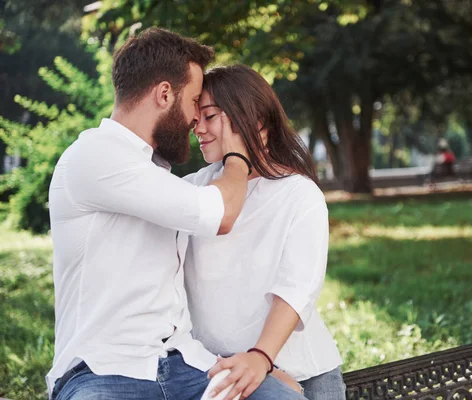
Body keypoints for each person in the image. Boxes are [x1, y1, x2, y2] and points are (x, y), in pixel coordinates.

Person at [47, 28, 304, 400]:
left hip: (185, 365)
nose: (196, 120)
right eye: (194, 101)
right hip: (102, 371)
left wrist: (261, 364)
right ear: (164, 94)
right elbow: (219, 214)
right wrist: (236, 154)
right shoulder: (95, 156)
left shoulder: (154, 174)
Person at [183, 64, 345, 400]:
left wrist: (263, 360)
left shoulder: (299, 194)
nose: (197, 128)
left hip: (302, 376)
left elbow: (296, 289)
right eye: (195, 118)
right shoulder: (193, 191)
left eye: (210, 116)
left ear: (255, 120)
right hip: (222, 376)